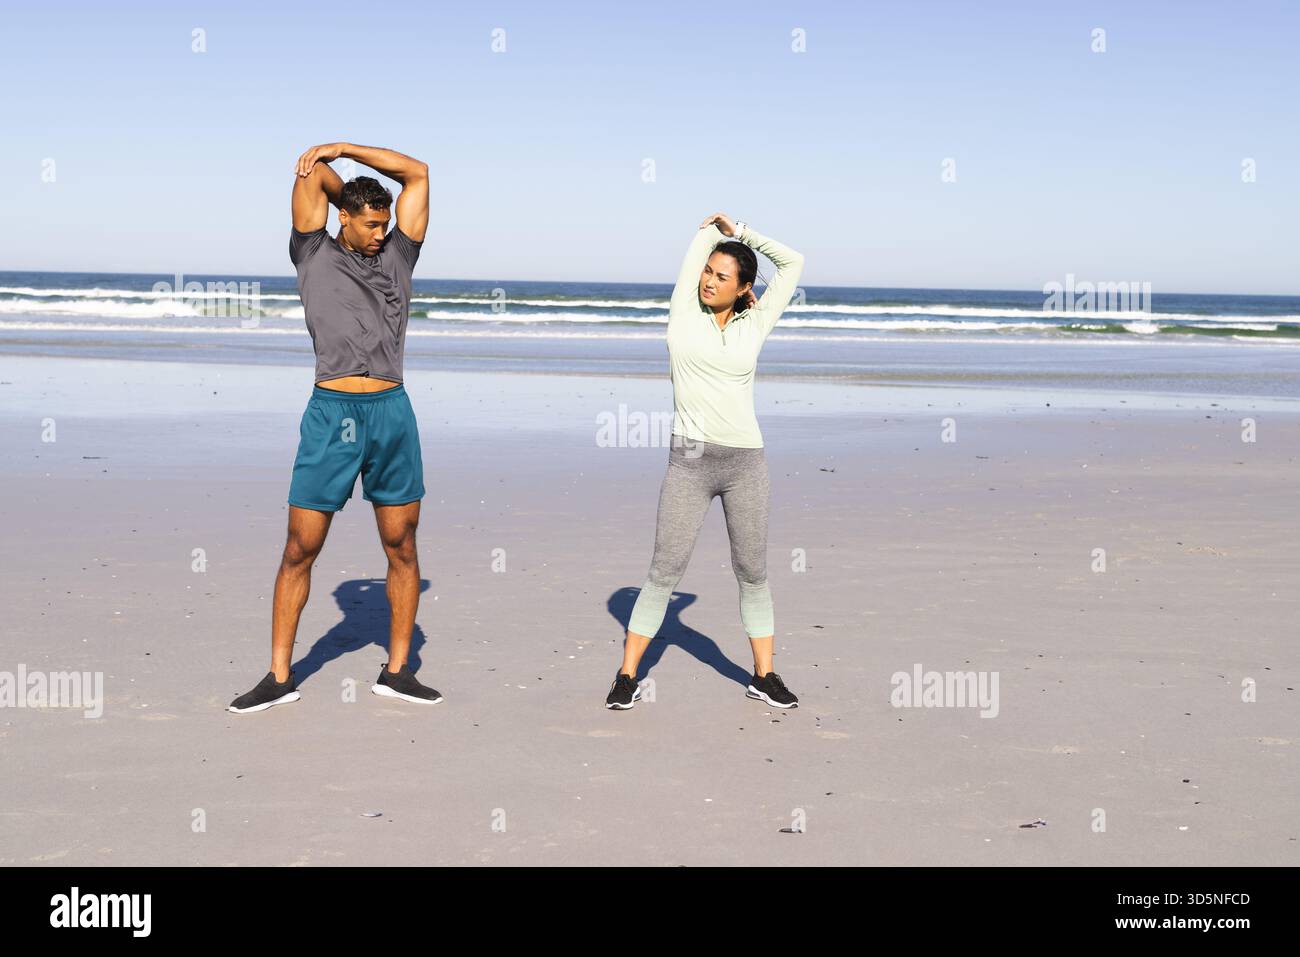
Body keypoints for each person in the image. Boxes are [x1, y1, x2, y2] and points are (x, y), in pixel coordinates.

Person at [228, 142, 441, 713]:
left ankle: (397, 671)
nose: (380, 234)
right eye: (370, 224)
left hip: (392, 413)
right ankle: (278, 676)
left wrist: (347, 147)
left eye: (385, 224)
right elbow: (313, 174)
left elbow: (418, 173)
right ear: (342, 217)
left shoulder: (399, 255)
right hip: (333, 413)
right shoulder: (312, 251)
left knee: (401, 543)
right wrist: (335, 170)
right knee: (301, 546)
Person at [606, 213, 805, 710]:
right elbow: (697, 250)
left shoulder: (756, 321)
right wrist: (713, 233)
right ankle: (627, 675)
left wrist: (742, 232)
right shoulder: (682, 312)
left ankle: (766, 675)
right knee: (664, 571)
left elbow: (793, 262)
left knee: (752, 572)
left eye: (722, 276)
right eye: (708, 272)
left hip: (745, 464)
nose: (709, 281)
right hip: (689, 463)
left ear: (742, 289)